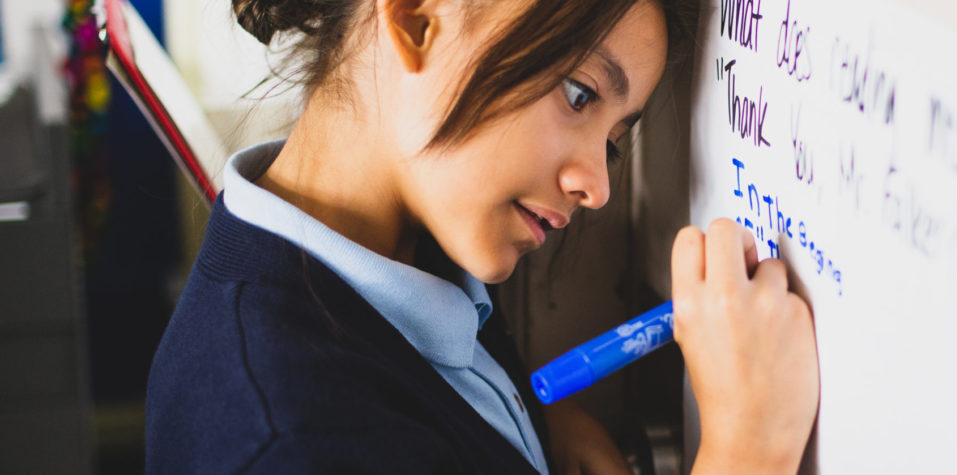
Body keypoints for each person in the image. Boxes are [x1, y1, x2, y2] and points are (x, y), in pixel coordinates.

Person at [143, 0, 820, 473]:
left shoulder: (409, 248)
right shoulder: (289, 441)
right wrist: (745, 451)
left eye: (613, 143)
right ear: (416, 20)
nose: (597, 186)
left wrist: (513, 423)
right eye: (578, 95)